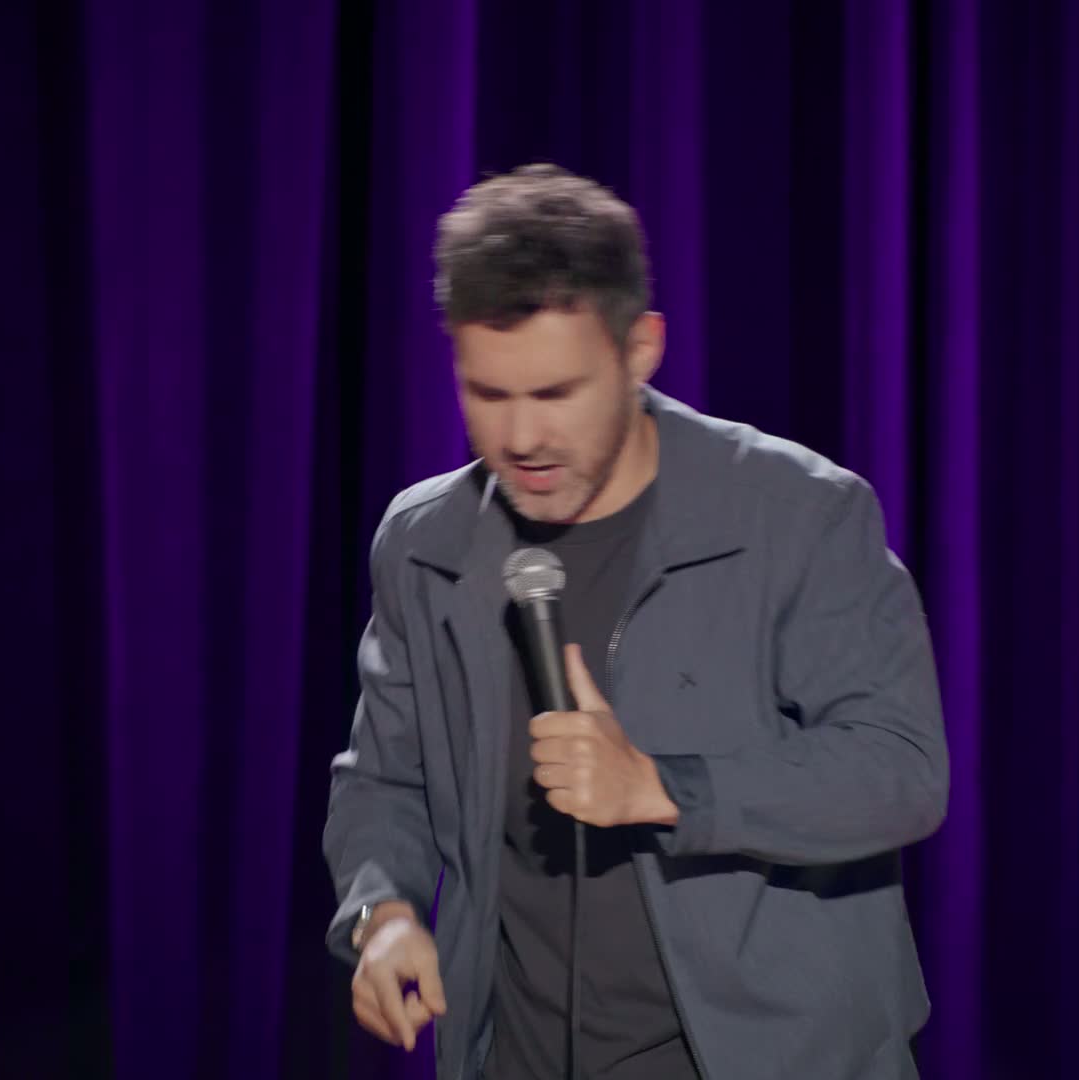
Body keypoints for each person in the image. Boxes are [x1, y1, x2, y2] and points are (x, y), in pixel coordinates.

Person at [324, 164, 948, 1080]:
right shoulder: (427, 543)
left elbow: (899, 772)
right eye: (488, 395)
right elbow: (384, 778)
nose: (522, 439)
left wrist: (661, 788)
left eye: (557, 394)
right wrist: (381, 914)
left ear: (641, 349)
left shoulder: (795, 515)